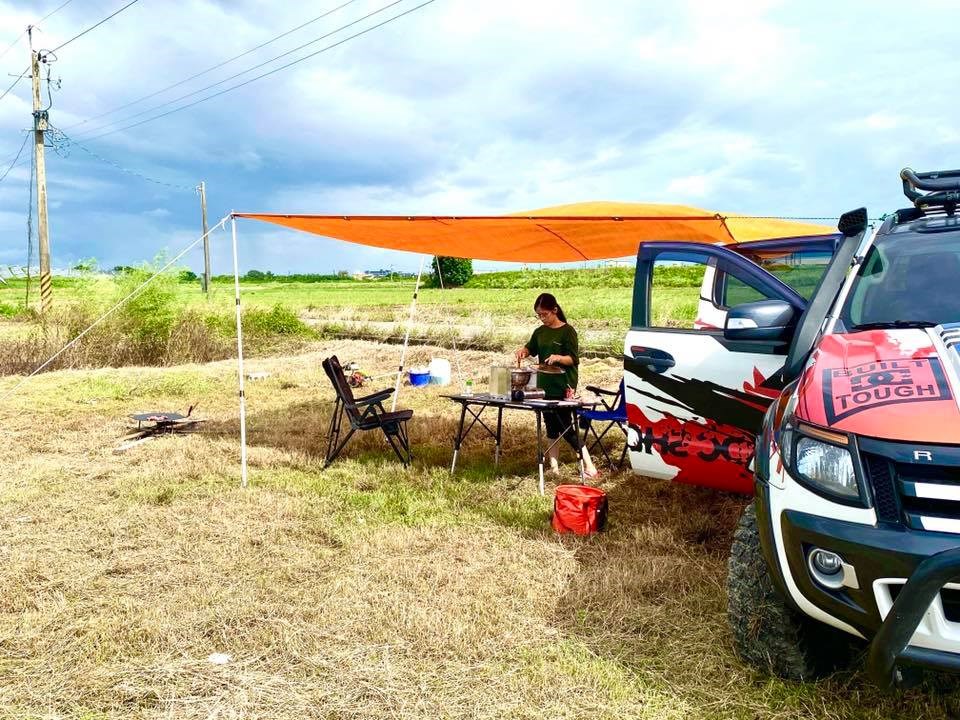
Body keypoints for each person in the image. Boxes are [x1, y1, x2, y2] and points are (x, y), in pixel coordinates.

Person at [515, 293, 599, 478]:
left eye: (545, 314)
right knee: (551, 426)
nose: (542, 318)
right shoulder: (540, 332)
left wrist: (558, 358)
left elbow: (573, 359)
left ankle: (590, 466)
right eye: (539, 315)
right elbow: (531, 348)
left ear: (555, 310)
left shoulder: (568, 331)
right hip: (543, 386)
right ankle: (554, 468)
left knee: (566, 427)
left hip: (563, 385)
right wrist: (524, 351)